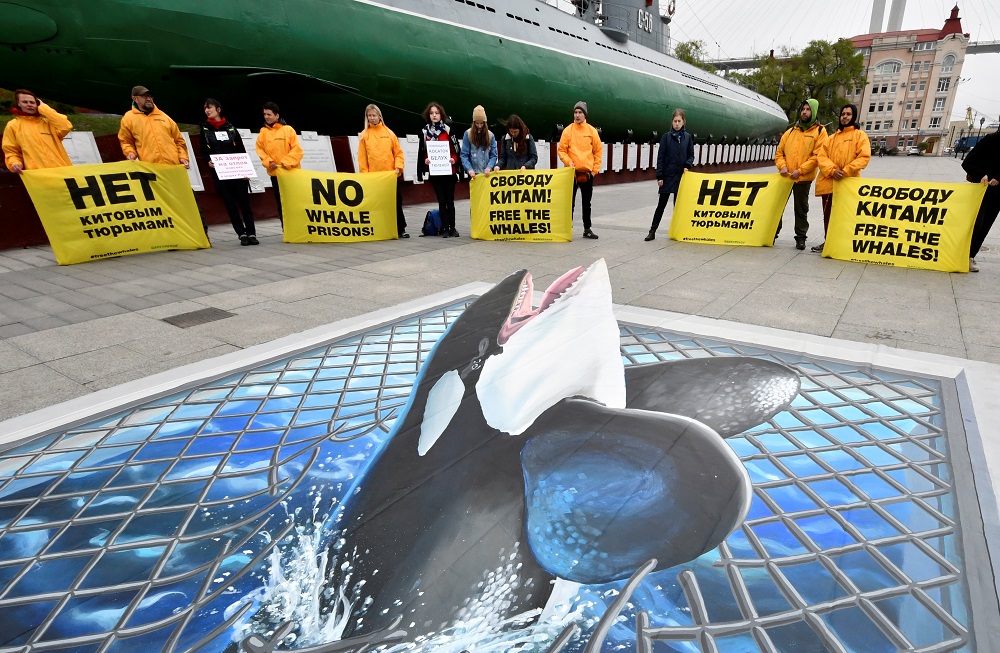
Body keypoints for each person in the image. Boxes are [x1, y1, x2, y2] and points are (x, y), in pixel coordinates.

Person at [812, 103, 870, 253]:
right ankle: (828, 242)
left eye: (848, 114)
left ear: (854, 116)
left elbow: (864, 157)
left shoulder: (860, 135)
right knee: (828, 216)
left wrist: (845, 171)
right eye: (843, 114)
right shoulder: (831, 138)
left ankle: (843, 243)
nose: (844, 117)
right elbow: (821, 157)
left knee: (845, 216)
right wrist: (832, 171)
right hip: (829, 183)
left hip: (847, 184)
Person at [199, 98, 257, 246]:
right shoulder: (205, 129)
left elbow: (241, 149)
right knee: (230, 204)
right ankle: (241, 233)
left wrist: (245, 170)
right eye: (205, 108)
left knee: (244, 203)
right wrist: (208, 161)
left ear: (218, 109)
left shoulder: (231, 128)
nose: (207, 110)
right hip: (221, 173)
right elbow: (204, 150)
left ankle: (251, 233)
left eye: (210, 108)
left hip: (237, 171)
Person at [774, 99, 827, 250]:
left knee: (801, 209)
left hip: (803, 179)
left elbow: (818, 156)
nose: (804, 112)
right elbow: (779, 153)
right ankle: (773, 232)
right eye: (803, 109)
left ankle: (801, 237)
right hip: (785, 178)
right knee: (778, 207)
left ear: (814, 112)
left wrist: (801, 171)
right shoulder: (790, 131)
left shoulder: (820, 132)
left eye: (808, 109)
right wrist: (782, 166)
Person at [357, 104, 408, 238]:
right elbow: (362, 158)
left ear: (379, 116)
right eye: (369, 116)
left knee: (396, 202)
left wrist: (398, 166)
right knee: (377, 204)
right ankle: (379, 228)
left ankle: (400, 228)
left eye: (374, 115)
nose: (372, 118)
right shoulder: (364, 135)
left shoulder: (389, 133)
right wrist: (365, 175)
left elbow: (398, 153)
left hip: (390, 176)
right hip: (374, 177)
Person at [645, 108, 694, 241]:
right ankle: (652, 231)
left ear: (683, 122)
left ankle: (679, 231)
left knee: (678, 206)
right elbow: (660, 157)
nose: (677, 123)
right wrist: (659, 176)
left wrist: (687, 165)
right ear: (672, 122)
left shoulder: (688, 138)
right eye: (675, 121)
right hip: (667, 177)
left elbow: (691, 155)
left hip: (680, 178)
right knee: (661, 205)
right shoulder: (666, 137)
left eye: (679, 121)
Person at [558, 100, 603, 239]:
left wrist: (594, 171)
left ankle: (587, 228)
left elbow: (598, 151)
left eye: (580, 112)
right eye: (575, 112)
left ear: (585, 115)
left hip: (587, 173)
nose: (577, 115)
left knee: (586, 203)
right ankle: (567, 227)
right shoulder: (568, 130)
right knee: (569, 202)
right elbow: (561, 150)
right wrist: (568, 162)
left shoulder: (591, 131)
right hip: (571, 173)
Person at [2, 89, 73, 173]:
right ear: (18, 104)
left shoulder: (48, 123)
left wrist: (44, 108)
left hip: (62, 171)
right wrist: (15, 163)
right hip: (38, 174)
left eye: (32, 102)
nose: (29, 105)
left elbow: (66, 126)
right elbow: (11, 150)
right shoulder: (13, 125)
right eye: (25, 102)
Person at [255, 101, 303, 223]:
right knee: (281, 203)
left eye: (269, 114)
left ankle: (299, 225)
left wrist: (285, 164)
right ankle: (286, 228)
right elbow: (260, 149)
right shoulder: (263, 132)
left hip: (291, 173)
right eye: (264, 114)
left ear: (277, 115)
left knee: (295, 201)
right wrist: (268, 162)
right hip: (275, 175)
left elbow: (297, 150)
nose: (266, 117)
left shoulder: (288, 130)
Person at [417, 102, 460, 237]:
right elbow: (423, 152)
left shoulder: (447, 130)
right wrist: (426, 161)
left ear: (441, 115)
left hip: (449, 171)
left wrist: (454, 160)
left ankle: (453, 227)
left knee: (450, 201)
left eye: (436, 113)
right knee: (441, 201)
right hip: (435, 172)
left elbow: (455, 150)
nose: (434, 115)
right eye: (431, 113)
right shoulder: (425, 132)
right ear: (428, 115)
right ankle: (445, 228)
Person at [118, 86, 189, 167]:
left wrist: (183, 157)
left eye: (150, 96)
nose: (148, 99)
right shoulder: (128, 118)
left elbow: (179, 141)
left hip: (174, 167)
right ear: (135, 99)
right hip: (151, 170)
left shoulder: (164, 117)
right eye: (144, 96)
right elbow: (125, 141)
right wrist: (130, 153)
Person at [962, 129, 1000, 272]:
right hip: (981, 190)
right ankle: (961, 254)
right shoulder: (989, 140)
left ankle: (970, 256)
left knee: (985, 226)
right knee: (976, 224)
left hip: (997, 194)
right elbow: (967, 163)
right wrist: (981, 174)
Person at [460, 105, 497, 180]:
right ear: (474, 122)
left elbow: (494, 155)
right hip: (473, 174)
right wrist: (469, 169)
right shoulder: (468, 134)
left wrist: (489, 167)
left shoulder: (491, 135)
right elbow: (464, 155)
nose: (479, 126)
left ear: (485, 123)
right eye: (477, 123)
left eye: (481, 123)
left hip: (487, 174)